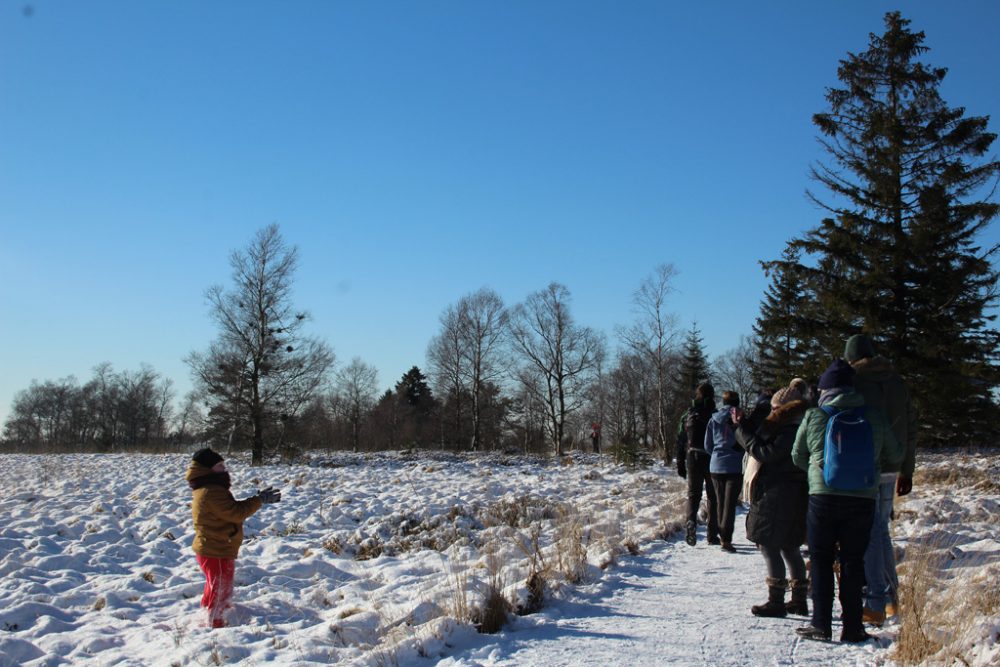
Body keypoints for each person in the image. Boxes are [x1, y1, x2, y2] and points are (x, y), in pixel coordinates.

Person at [791, 359, 903, 643]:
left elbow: (797, 456)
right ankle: (852, 627)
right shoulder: (874, 417)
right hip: (862, 499)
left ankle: (821, 623)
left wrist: (819, 474)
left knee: (821, 559)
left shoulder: (815, 416)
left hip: (823, 499)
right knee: (853, 562)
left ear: (825, 390)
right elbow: (896, 453)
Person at [844, 333, 917, 626]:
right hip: (892, 466)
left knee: (871, 533)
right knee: (881, 531)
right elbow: (911, 428)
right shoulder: (898, 384)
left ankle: (875, 602)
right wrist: (906, 470)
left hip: (867, 467)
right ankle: (892, 599)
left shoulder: (856, 382)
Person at [734, 384, 810, 616]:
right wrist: (744, 425)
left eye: (774, 408)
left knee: (770, 545)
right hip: (790, 492)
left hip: (778, 492)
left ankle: (776, 600)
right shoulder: (797, 426)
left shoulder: (790, 430)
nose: (771, 413)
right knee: (789, 546)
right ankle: (798, 599)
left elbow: (766, 452)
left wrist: (742, 433)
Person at [186, 448, 282, 628]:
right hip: (216, 548)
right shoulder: (211, 491)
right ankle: (215, 622)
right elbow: (235, 513)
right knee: (221, 588)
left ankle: (210, 615)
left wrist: (258, 500)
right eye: (219, 466)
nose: (224, 469)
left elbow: (230, 509)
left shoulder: (209, 488)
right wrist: (259, 500)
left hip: (216, 546)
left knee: (216, 586)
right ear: (207, 469)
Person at [676, 382, 719, 547]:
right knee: (712, 496)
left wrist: (680, 462)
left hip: (692, 456)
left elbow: (680, 440)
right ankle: (712, 534)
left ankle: (691, 521)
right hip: (711, 457)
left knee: (693, 495)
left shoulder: (687, 414)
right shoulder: (715, 414)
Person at [704, 390, 745, 553]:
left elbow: (707, 444)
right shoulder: (741, 417)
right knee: (729, 504)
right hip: (734, 465)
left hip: (716, 464)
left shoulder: (714, 419)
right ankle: (726, 539)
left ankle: (717, 533)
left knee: (719, 501)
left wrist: (716, 453)